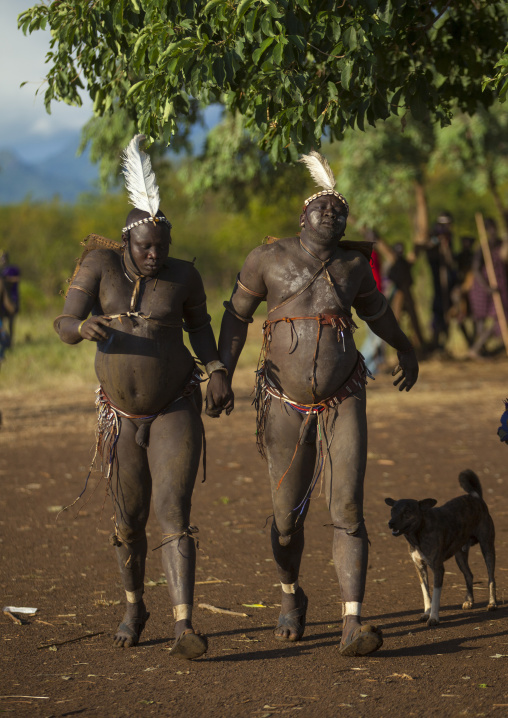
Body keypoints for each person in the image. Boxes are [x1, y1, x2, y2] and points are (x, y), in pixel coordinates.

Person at [212, 152, 419, 657]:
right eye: (322, 208)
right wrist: (220, 370)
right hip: (282, 402)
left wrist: (406, 346)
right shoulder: (267, 259)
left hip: (344, 396)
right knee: (286, 521)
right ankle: (291, 595)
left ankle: (353, 621)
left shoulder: (353, 267)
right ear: (302, 217)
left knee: (347, 506)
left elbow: (380, 315)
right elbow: (237, 317)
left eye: (340, 211)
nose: (331, 214)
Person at [54, 135, 232, 659]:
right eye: (145, 247)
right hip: (121, 415)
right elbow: (63, 322)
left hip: (176, 403)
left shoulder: (184, 276)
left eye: (162, 246)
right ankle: (135, 606)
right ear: (126, 243)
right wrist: (82, 326)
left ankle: (184, 627)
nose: (155, 255)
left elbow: (201, 330)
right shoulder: (99, 265)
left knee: (173, 509)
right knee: (129, 519)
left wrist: (218, 367)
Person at [468, 218, 508, 358]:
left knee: (501, 317)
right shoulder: (483, 248)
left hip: (499, 287)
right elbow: (476, 269)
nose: (493, 231)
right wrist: (487, 287)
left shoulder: (500, 244)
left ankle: (478, 349)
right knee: (482, 320)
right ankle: (477, 349)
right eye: (490, 228)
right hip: (483, 288)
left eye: (494, 228)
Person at [0, 251, 20, 344]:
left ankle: (10, 341)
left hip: (12, 296)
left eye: (4, 258)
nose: (3, 260)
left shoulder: (12, 269)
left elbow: (17, 279)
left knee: (11, 321)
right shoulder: (1, 270)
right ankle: (4, 340)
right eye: (2, 258)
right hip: (2, 297)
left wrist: (6, 279)